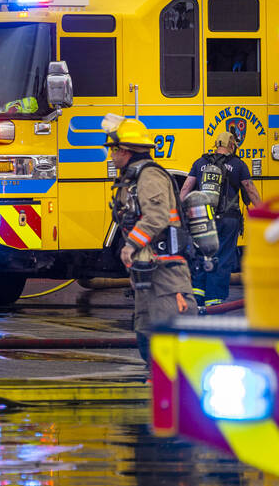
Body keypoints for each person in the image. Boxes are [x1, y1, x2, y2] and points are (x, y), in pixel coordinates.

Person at [106, 115, 198, 361]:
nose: (110, 155)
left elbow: (156, 217)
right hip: (147, 267)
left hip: (166, 268)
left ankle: (178, 383)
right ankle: (156, 381)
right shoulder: (133, 178)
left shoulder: (150, 176)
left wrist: (130, 245)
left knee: (171, 326)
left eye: (112, 149)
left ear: (125, 150)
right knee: (145, 328)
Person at [179, 129, 262, 308]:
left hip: (203, 218)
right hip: (228, 219)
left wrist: (177, 214)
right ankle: (215, 302)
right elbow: (250, 189)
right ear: (232, 145)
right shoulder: (238, 165)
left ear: (217, 145)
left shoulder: (200, 162)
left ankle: (197, 296)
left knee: (201, 255)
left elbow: (186, 188)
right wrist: (262, 212)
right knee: (222, 257)